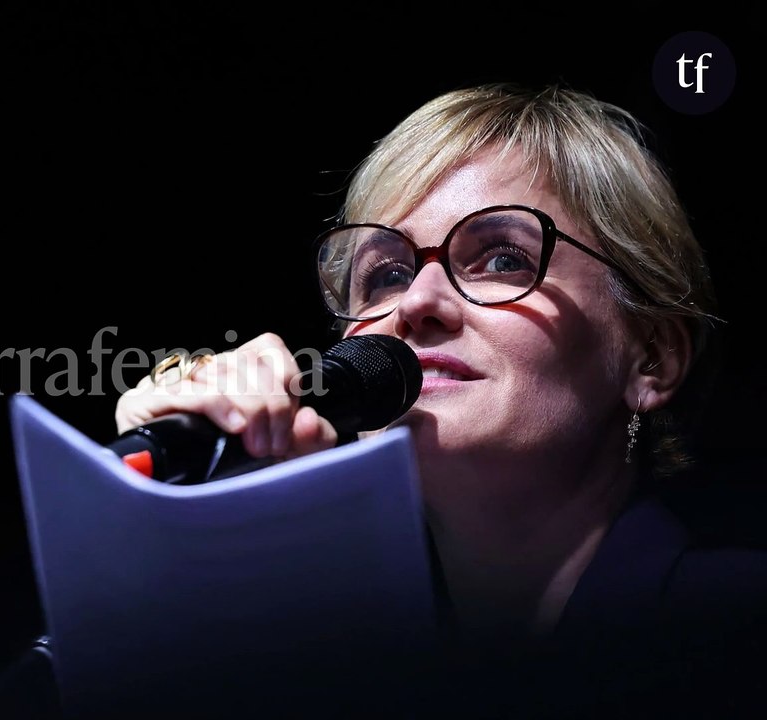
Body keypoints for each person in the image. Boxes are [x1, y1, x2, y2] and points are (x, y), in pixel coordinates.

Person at [109, 82, 767, 717]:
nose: (418, 303)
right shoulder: (316, 656)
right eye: (386, 274)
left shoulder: (738, 635)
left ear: (651, 356)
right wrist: (165, 544)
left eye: (504, 258)